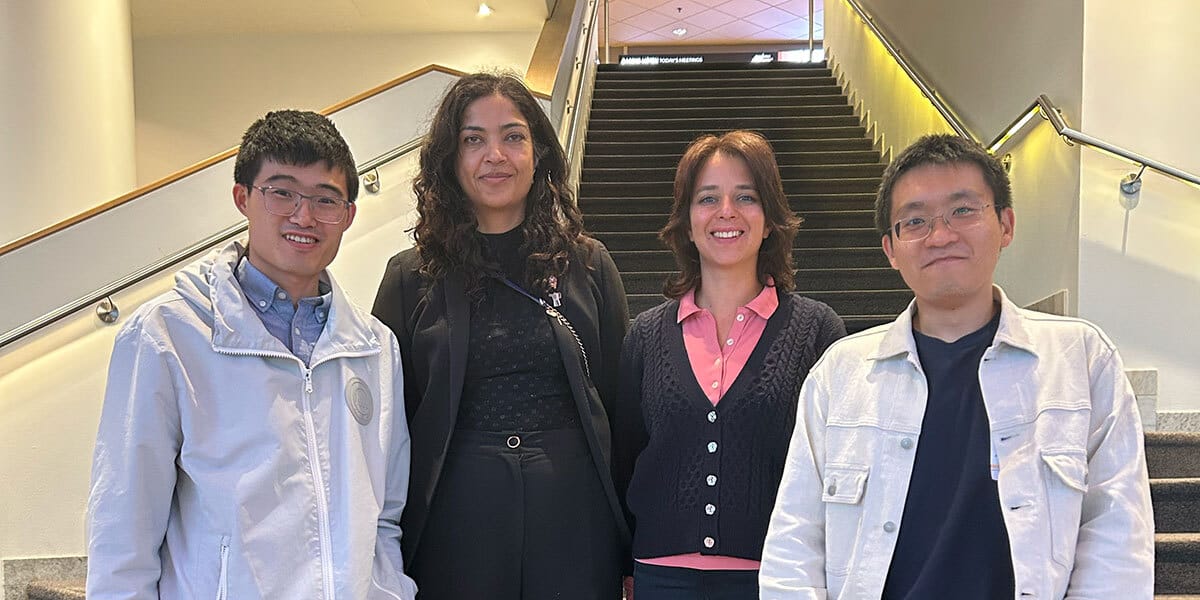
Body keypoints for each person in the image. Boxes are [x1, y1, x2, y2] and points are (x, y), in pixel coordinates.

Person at [760, 134, 1155, 599]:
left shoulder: (1080, 360)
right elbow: (795, 542)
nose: (941, 235)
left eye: (963, 210)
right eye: (915, 221)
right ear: (890, 249)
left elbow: (1117, 539)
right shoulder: (842, 374)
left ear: (1005, 224)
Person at [86, 110, 417, 599]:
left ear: (348, 215)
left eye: (325, 199)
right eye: (282, 192)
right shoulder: (169, 335)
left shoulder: (374, 347)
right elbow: (122, 531)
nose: (303, 216)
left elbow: (384, 518)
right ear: (242, 197)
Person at [372, 72, 629, 599]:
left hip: (576, 513)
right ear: (451, 159)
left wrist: (631, 542)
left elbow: (621, 407)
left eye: (513, 136)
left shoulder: (587, 264)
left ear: (538, 154)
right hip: (455, 518)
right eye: (474, 140)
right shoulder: (411, 276)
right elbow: (389, 422)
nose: (495, 155)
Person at [613, 130, 846, 599]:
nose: (726, 212)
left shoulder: (817, 331)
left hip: (777, 577)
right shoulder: (646, 335)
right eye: (707, 198)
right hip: (660, 576)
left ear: (770, 219)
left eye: (746, 197)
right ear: (686, 221)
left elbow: (836, 469)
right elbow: (623, 462)